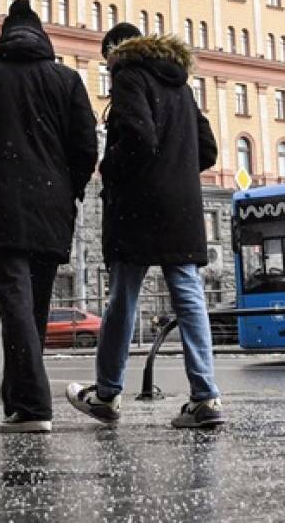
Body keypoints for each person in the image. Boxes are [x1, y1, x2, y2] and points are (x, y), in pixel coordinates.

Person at [0, 0, 98, 434]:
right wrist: (69, 189)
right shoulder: (67, 80)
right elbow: (86, 148)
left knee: (15, 306)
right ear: (41, 37)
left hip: (1, 205)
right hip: (52, 207)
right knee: (33, 309)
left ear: (3, 37)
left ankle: (30, 406)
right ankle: (18, 401)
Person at [67, 24, 226, 429]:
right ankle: (206, 397)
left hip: (137, 205)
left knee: (123, 297)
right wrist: (175, 171)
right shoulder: (181, 86)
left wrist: (110, 168)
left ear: (115, 52)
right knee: (189, 295)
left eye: (106, 60)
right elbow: (208, 150)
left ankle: (107, 394)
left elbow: (139, 136)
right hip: (182, 206)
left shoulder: (128, 76)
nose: (107, 67)